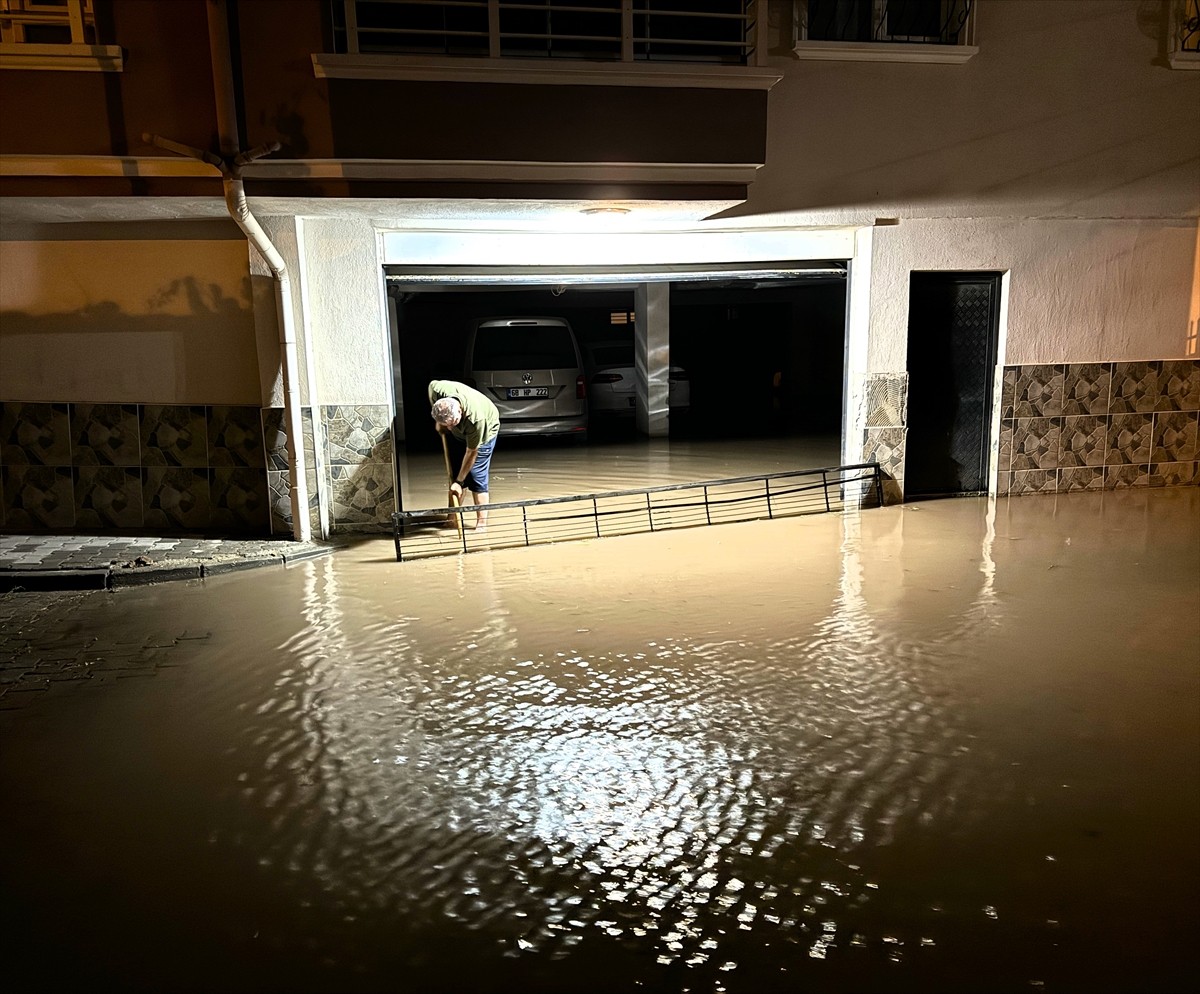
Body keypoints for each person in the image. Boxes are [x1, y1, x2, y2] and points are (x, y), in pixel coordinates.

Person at [428, 379, 500, 531]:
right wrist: (439, 423)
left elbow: (471, 452)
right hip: (460, 433)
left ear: (460, 411)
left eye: (452, 423)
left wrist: (460, 482)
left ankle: (481, 523)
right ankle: (452, 518)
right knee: (455, 474)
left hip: (485, 432)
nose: (449, 427)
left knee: (475, 475)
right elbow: (431, 386)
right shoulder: (439, 389)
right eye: (447, 425)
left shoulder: (476, 420)